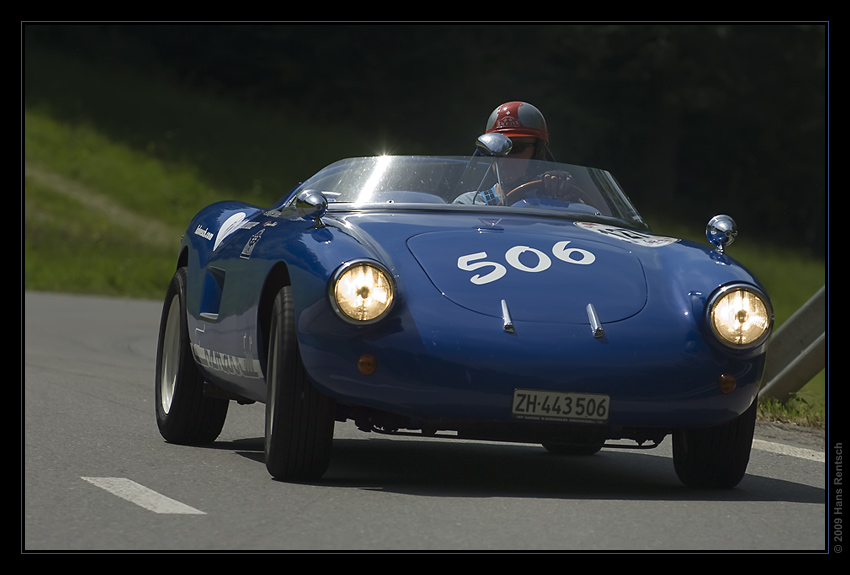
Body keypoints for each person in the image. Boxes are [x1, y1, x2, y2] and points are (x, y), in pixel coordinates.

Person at [453, 101, 574, 205]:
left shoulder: (557, 202)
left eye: (518, 147)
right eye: (497, 148)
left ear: (538, 152)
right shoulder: (469, 204)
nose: (505, 158)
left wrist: (564, 191)